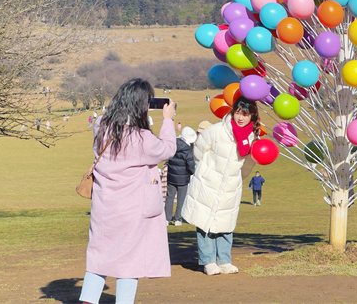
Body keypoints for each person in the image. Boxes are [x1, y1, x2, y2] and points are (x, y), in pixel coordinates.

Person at [79, 78, 177, 304]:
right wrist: (167, 120)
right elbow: (168, 149)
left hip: (104, 206)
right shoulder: (141, 138)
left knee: (98, 257)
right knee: (130, 262)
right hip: (132, 209)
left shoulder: (101, 126)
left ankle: (88, 300)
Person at [181, 97, 260, 276]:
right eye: (238, 113)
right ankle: (208, 261)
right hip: (208, 182)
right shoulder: (216, 130)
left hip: (231, 185)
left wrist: (236, 178)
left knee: (226, 222)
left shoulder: (252, 137)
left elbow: (248, 163)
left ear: (252, 116)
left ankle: (224, 260)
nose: (241, 118)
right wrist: (205, 171)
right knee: (204, 222)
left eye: (245, 114)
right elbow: (199, 150)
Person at [164, 125, 197, 226]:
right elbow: (190, 165)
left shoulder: (173, 144)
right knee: (181, 199)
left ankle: (167, 218)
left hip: (171, 176)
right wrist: (192, 172)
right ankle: (178, 219)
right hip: (183, 179)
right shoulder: (188, 150)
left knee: (169, 198)